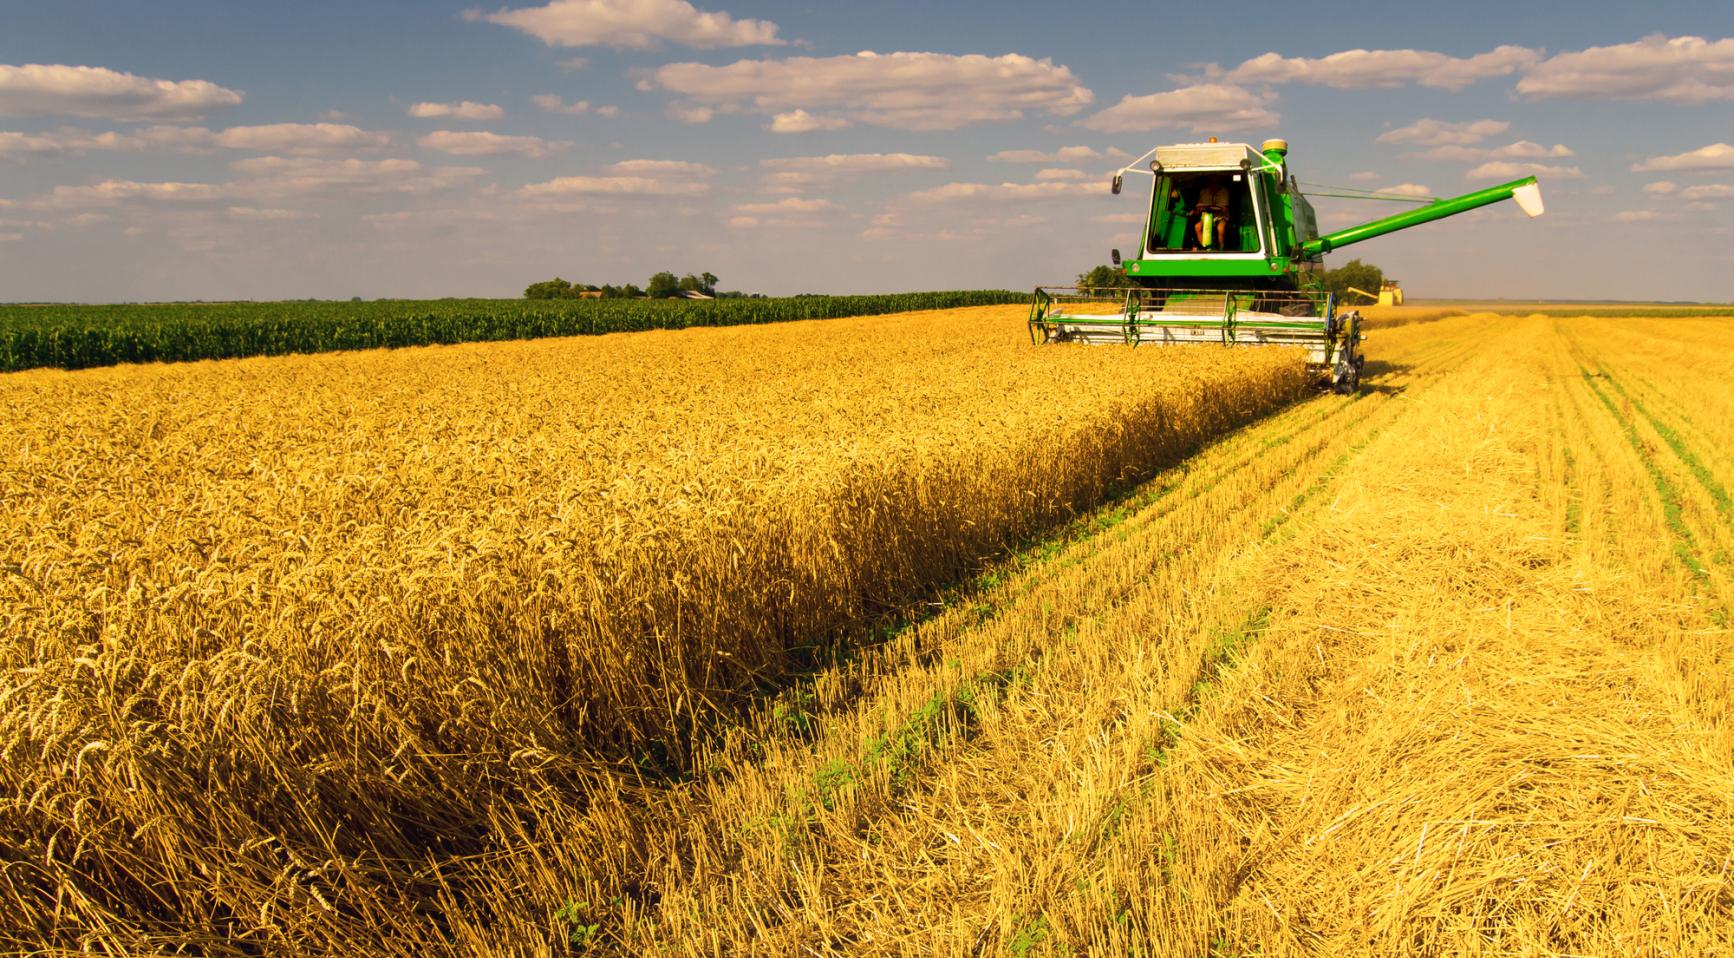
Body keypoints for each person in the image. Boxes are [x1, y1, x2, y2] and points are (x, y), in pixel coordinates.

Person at [1192, 176, 1232, 250]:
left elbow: (1224, 209)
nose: (1213, 184)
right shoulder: (1203, 192)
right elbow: (1199, 205)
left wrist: (1208, 207)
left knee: (1221, 228)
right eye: (1211, 182)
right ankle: (1204, 246)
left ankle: (1221, 247)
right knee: (1197, 226)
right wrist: (1197, 209)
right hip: (1206, 216)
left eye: (1216, 182)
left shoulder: (1224, 191)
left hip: (1220, 217)